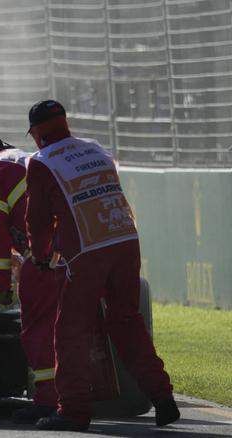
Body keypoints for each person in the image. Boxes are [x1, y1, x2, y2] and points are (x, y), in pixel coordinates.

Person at [24, 99, 179, 431]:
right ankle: (162, 397)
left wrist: (39, 254)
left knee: (71, 330)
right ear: (65, 122)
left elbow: (37, 217)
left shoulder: (41, 161)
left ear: (36, 133)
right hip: (125, 239)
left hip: (86, 249)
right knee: (126, 321)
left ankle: (74, 411)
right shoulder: (96, 148)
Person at [0, 132, 60, 423]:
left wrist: (1, 284)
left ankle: (47, 401)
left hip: (43, 258)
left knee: (39, 330)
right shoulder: (31, 159)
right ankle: (77, 396)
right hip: (76, 252)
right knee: (68, 329)